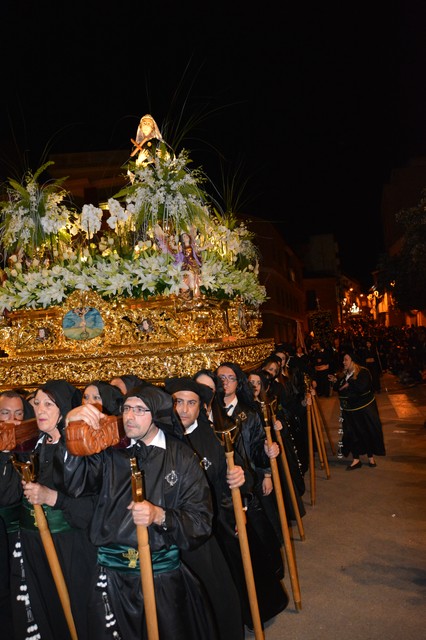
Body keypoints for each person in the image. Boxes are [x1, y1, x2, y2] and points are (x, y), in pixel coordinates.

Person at [59, 383, 219, 640]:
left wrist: (160, 515)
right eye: (127, 409)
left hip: (161, 578)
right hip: (111, 577)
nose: (130, 416)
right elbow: (75, 484)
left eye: (140, 410)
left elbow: (201, 522)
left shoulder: (182, 457)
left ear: (157, 414)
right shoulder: (110, 450)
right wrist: (71, 427)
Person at [12, 379, 97, 640]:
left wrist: (53, 498)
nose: (40, 409)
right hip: (35, 545)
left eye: (49, 404)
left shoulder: (80, 448)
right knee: (48, 611)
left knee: (79, 615)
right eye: (37, 403)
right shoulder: (33, 447)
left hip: (71, 547)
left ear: (64, 410)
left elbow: (89, 508)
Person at [164, 376, 245, 640]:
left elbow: (234, 478)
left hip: (206, 532)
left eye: (191, 403)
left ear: (201, 408)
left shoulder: (214, 438)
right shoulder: (157, 438)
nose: (184, 410)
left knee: (214, 594)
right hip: (165, 537)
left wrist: (241, 477)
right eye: (178, 402)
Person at [214, 362, 289, 628]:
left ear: (238, 382)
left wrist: (268, 463)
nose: (225, 382)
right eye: (220, 377)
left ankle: (272, 582)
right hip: (220, 493)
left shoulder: (249, 412)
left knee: (261, 539)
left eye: (230, 377)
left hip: (247, 488)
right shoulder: (209, 412)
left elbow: (257, 447)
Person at [0, 391, 35, 639]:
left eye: (18, 414)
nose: (12, 420)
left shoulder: (29, 447)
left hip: (23, 537)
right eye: (5, 414)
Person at [329, 351, 386, 470]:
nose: (343, 362)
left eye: (346, 359)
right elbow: (338, 388)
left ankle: (370, 457)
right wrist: (335, 381)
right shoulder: (344, 374)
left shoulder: (363, 372)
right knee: (352, 434)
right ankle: (356, 459)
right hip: (349, 411)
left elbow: (362, 387)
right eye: (343, 360)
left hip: (363, 410)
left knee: (366, 432)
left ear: (353, 361)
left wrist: (348, 384)